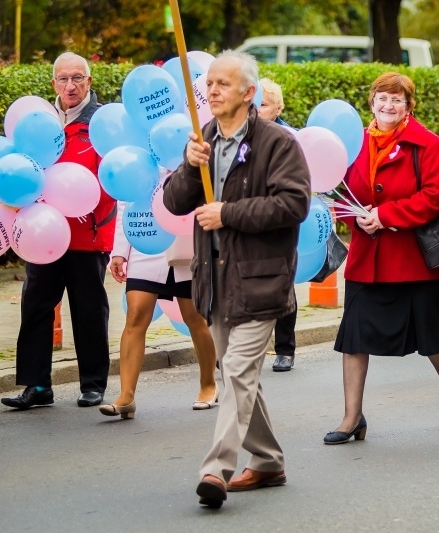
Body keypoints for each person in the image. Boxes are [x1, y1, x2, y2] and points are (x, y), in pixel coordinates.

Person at [163, 51, 311, 509]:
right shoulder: (203, 138)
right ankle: (267, 460)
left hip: (260, 280)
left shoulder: (277, 143)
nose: (211, 91)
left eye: (222, 84)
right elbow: (174, 203)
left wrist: (228, 214)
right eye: (209, 83)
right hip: (214, 279)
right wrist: (190, 166)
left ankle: (216, 469)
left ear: (249, 93)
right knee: (238, 377)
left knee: (237, 373)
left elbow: (293, 205)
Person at [325, 72, 439, 445]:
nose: (388, 106)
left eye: (397, 100)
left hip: (414, 260)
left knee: (435, 340)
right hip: (366, 259)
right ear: (371, 102)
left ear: (409, 105)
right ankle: (351, 416)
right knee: (353, 339)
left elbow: (436, 195)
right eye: (381, 99)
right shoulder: (350, 142)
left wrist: (386, 216)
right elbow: (335, 191)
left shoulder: (428, 143)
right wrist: (352, 214)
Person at [1, 52, 116, 410]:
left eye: (77, 78)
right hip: (42, 236)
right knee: (35, 305)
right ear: (53, 83)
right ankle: (36, 385)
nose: (70, 85)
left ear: (89, 81)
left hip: (87, 234)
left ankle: (93, 383)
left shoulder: (100, 125)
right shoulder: (38, 121)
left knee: (89, 310)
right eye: (63, 79)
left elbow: (111, 179)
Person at [98, 202, 218, 419]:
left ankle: (208, 384)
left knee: (195, 318)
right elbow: (127, 203)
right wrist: (120, 252)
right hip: (145, 241)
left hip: (184, 242)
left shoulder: (191, 165)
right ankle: (126, 396)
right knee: (134, 315)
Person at [257, 77, 296, 371]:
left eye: (265, 104)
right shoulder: (239, 135)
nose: (258, 109)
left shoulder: (291, 138)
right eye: (254, 103)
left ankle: (285, 349)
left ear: (278, 107)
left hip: (281, 223)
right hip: (247, 222)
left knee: (283, 286)